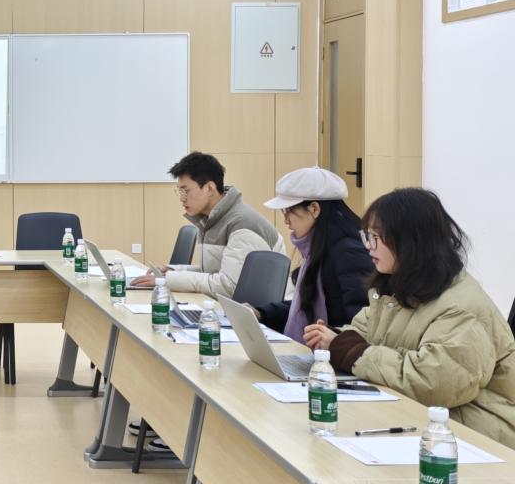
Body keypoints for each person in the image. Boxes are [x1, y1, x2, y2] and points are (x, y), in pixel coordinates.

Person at [306, 188, 515, 448]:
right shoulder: (397, 289)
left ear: (410, 241)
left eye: (376, 237)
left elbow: (434, 383)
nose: (368, 246)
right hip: (427, 420)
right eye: (367, 236)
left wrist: (351, 351)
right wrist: (334, 340)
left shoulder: (461, 307)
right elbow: (361, 332)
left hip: (478, 436)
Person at [132, 151, 287, 298]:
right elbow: (212, 272)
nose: (182, 198)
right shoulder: (210, 219)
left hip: (259, 313)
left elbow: (228, 286)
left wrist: (169, 280)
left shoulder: (242, 224)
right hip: (235, 306)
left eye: (186, 191)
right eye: (179, 192)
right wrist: (172, 271)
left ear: (209, 188)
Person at [252, 166, 373, 341]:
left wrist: (333, 339)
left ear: (314, 209)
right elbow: (304, 308)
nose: (286, 220)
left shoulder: (348, 253)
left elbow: (362, 324)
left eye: (289, 211)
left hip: (331, 354)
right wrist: (261, 313)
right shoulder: (318, 247)